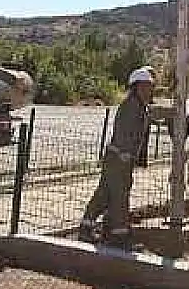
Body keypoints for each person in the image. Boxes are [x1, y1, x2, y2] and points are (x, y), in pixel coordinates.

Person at [78, 65, 154, 250]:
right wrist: (125, 153)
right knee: (119, 196)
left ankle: (88, 227)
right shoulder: (131, 106)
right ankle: (119, 235)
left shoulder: (139, 106)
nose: (148, 90)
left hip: (119, 157)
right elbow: (123, 131)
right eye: (144, 86)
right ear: (135, 87)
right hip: (119, 157)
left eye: (150, 87)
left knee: (105, 193)